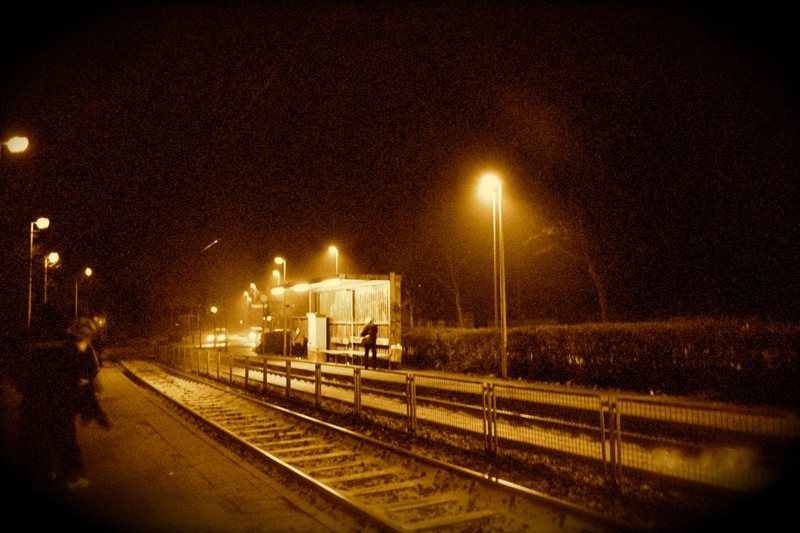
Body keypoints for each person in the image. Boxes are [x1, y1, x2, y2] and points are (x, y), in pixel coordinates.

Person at [13, 309, 110, 493]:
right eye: (87, 341)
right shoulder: (73, 356)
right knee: (65, 442)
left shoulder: (62, 351)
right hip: (52, 405)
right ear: (82, 339)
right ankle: (72, 478)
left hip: (39, 404)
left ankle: (47, 472)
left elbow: (83, 388)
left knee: (41, 440)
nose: (88, 345)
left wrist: (97, 413)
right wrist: (97, 414)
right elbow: (82, 391)